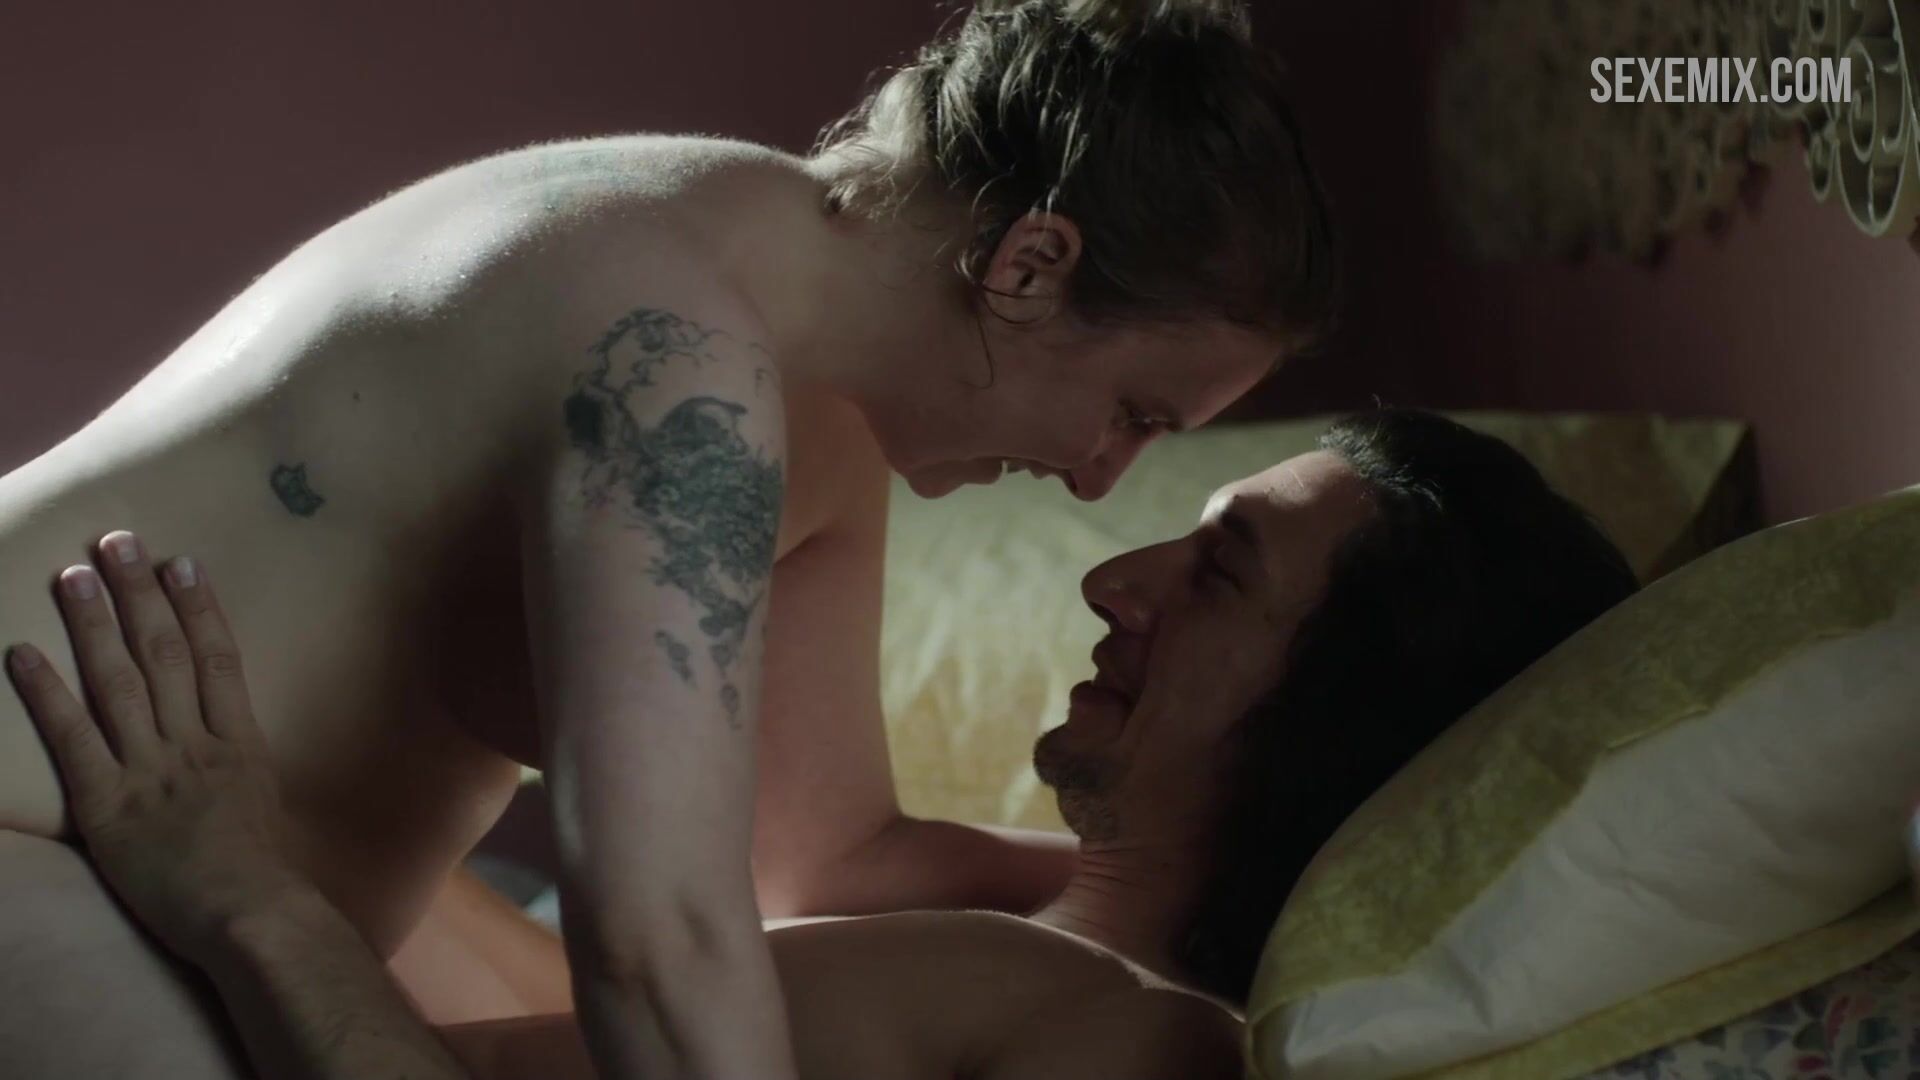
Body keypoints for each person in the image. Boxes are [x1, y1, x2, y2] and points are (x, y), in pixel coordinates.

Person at [0, 1, 1334, 1075]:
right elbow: (657, 946)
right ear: (1029, 268)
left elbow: (826, 858)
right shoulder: (680, 361)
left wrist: (1254, 888)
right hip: (46, 828)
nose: (1103, 480)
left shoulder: (818, 389)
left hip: (156, 869)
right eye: (1133, 413)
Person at [8, 411, 1639, 1079]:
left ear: (1346, 706)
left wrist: (248, 890)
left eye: (1217, 574)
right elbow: (790, 889)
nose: (1115, 581)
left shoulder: (1120, 1029)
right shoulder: (1044, 930)